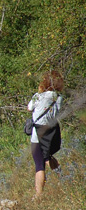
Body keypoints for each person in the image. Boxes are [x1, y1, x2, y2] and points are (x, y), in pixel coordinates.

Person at [28, 70, 63, 198]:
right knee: (47, 156)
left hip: (38, 134)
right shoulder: (59, 97)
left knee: (39, 164)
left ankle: (38, 195)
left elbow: (29, 108)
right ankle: (63, 179)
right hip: (51, 133)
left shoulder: (38, 96)